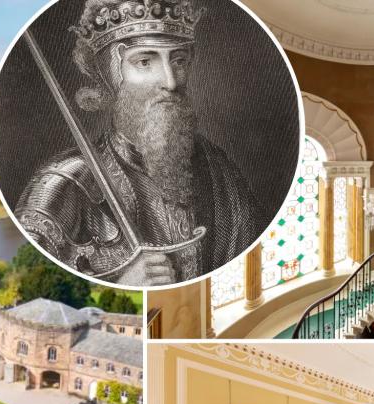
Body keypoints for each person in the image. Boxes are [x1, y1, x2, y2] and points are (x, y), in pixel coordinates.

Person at [15, 0, 260, 286]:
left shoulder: (216, 167)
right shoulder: (65, 180)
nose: (170, 81)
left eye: (178, 60)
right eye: (145, 61)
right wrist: (122, 283)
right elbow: (31, 281)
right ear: (112, 74)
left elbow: (250, 268)